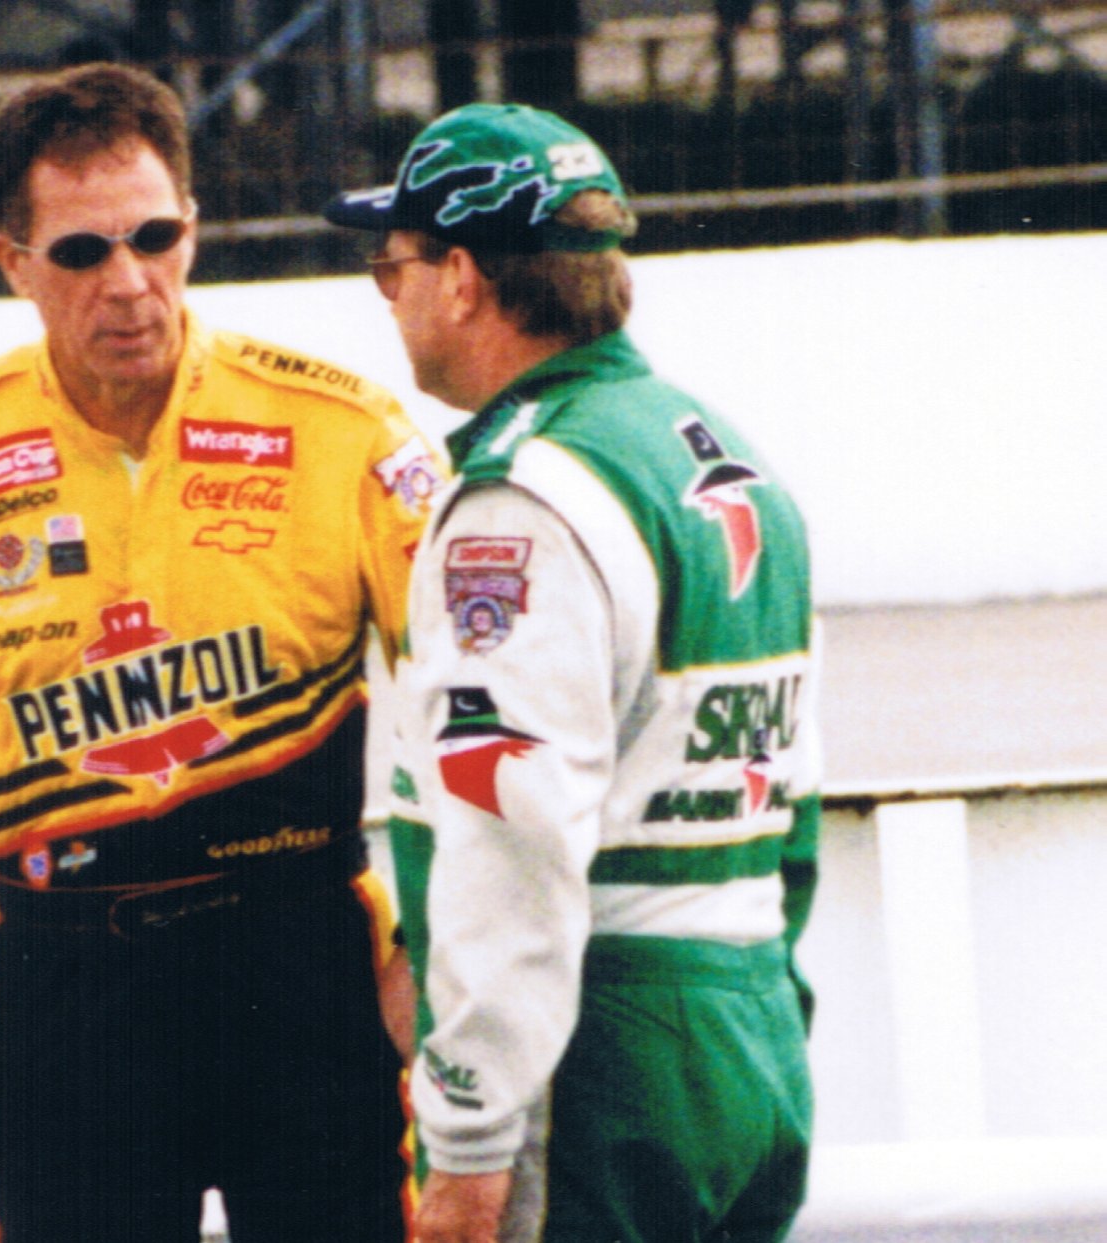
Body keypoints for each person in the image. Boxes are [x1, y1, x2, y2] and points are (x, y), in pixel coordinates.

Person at [0, 62, 442, 1243]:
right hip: (74, 995)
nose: (129, 284)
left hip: (305, 967)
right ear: (12, 263)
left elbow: (486, 700)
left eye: (156, 237)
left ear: (194, 228)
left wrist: (433, 957)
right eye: (82, 253)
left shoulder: (342, 431)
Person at [325, 103, 821, 1243]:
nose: (386, 294)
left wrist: (467, 1144)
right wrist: (770, 1019)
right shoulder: (726, 461)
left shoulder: (523, 495)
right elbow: (790, 795)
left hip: (596, 1050)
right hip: (748, 1026)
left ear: (459, 276)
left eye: (388, 264)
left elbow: (512, 826)